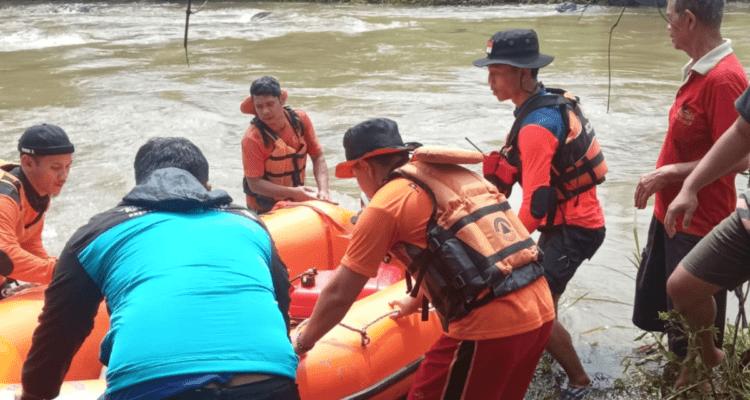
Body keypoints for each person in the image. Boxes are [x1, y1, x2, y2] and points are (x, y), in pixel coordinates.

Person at [293, 118, 555, 400]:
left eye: (355, 175)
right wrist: (416, 300)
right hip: (540, 311)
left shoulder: (386, 203)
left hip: (490, 326)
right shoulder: (454, 176)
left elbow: (339, 294)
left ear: (365, 168)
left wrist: (301, 342)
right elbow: (466, 250)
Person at [18, 137, 299, 400]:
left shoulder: (97, 233)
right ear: (206, 186)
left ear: (141, 184)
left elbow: (61, 328)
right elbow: (280, 298)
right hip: (269, 382)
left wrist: (35, 394)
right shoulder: (251, 224)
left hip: (152, 387)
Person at [474, 28, 606, 398]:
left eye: (496, 72)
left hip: (575, 227)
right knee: (544, 295)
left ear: (524, 73)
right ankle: (545, 351)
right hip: (568, 220)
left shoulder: (536, 126)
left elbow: (534, 207)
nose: (489, 82)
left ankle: (580, 382)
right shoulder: (544, 105)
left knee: (534, 306)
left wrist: (500, 248)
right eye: (489, 72)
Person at [631, 0, 748, 375]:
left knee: (690, 320)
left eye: (670, 19)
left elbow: (742, 157)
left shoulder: (723, 78)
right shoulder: (701, 72)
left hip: (700, 220)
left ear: (691, 20)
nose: (667, 27)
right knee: (669, 314)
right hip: (673, 213)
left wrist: (669, 174)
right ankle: (682, 369)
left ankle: (697, 377)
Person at [663, 88, 750, 387]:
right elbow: (742, 132)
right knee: (683, 286)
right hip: (748, 217)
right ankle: (707, 356)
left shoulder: (724, 78)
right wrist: (691, 185)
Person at [240, 76, 330, 213]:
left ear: (281, 101)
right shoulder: (252, 138)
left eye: (270, 104)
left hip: (294, 199)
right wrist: (294, 192)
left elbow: (318, 157)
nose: (265, 111)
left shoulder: (300, 120)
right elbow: (254, 184)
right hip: (263, 208)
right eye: (259, 106)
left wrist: (323, 191)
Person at [0, 124, 74, 285]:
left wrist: (68, 268)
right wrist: (61, 273)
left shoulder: (38, 193)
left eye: (68, 166)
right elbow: (4, 257)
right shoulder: (4, 199)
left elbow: (29, 245)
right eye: (56, 168)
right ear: (27, 163)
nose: (64, 176)